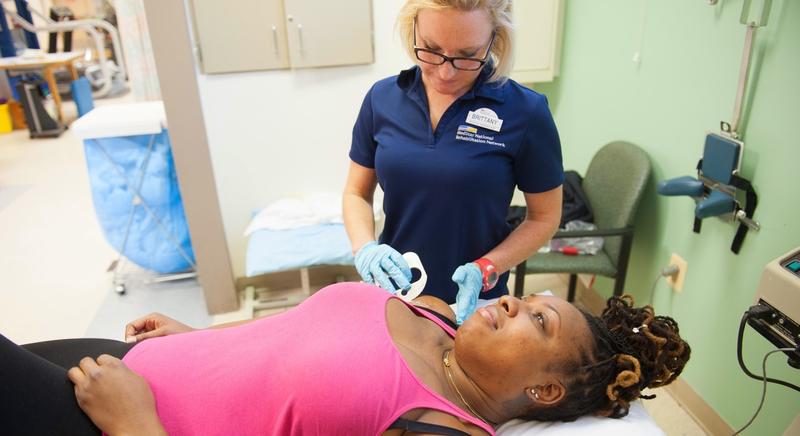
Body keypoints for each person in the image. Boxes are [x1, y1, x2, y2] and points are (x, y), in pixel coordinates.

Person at [1, 282, 690, 435]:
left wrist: (136, 427)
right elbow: (294, 338)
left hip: (104, 420)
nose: (511, 302)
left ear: (542, 393)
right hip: (127, 363)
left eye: (537, 320)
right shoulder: (440, 321)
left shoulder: (433, 428)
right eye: (527, 297)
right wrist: (196, 338)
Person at [343, 0, 564, 325]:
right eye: (431, 49)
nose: (445, 71)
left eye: (467, 55)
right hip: (395, 296)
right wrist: (364, 249)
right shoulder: (382, 99)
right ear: (413, 27)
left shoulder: (526, 112)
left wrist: (487, 266)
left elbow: (545, 217)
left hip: (477, 305)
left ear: (495, 40)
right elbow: (355, 194)